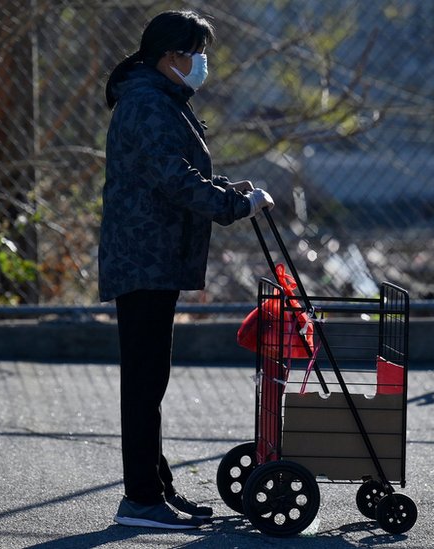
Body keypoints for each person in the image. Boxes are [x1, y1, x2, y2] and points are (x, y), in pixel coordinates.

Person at [99, 10, 274, 530]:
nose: (202, 63)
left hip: (152, 257)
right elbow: (175, 179)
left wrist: (228, 191)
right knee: (145, 382)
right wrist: (233, 206)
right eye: (195, 53)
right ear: (169, 56)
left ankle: (157, 491)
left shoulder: (159, 98)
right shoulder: (149, 103)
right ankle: (142, 500)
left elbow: (180, 172)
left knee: (149, 380)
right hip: (145, 258)